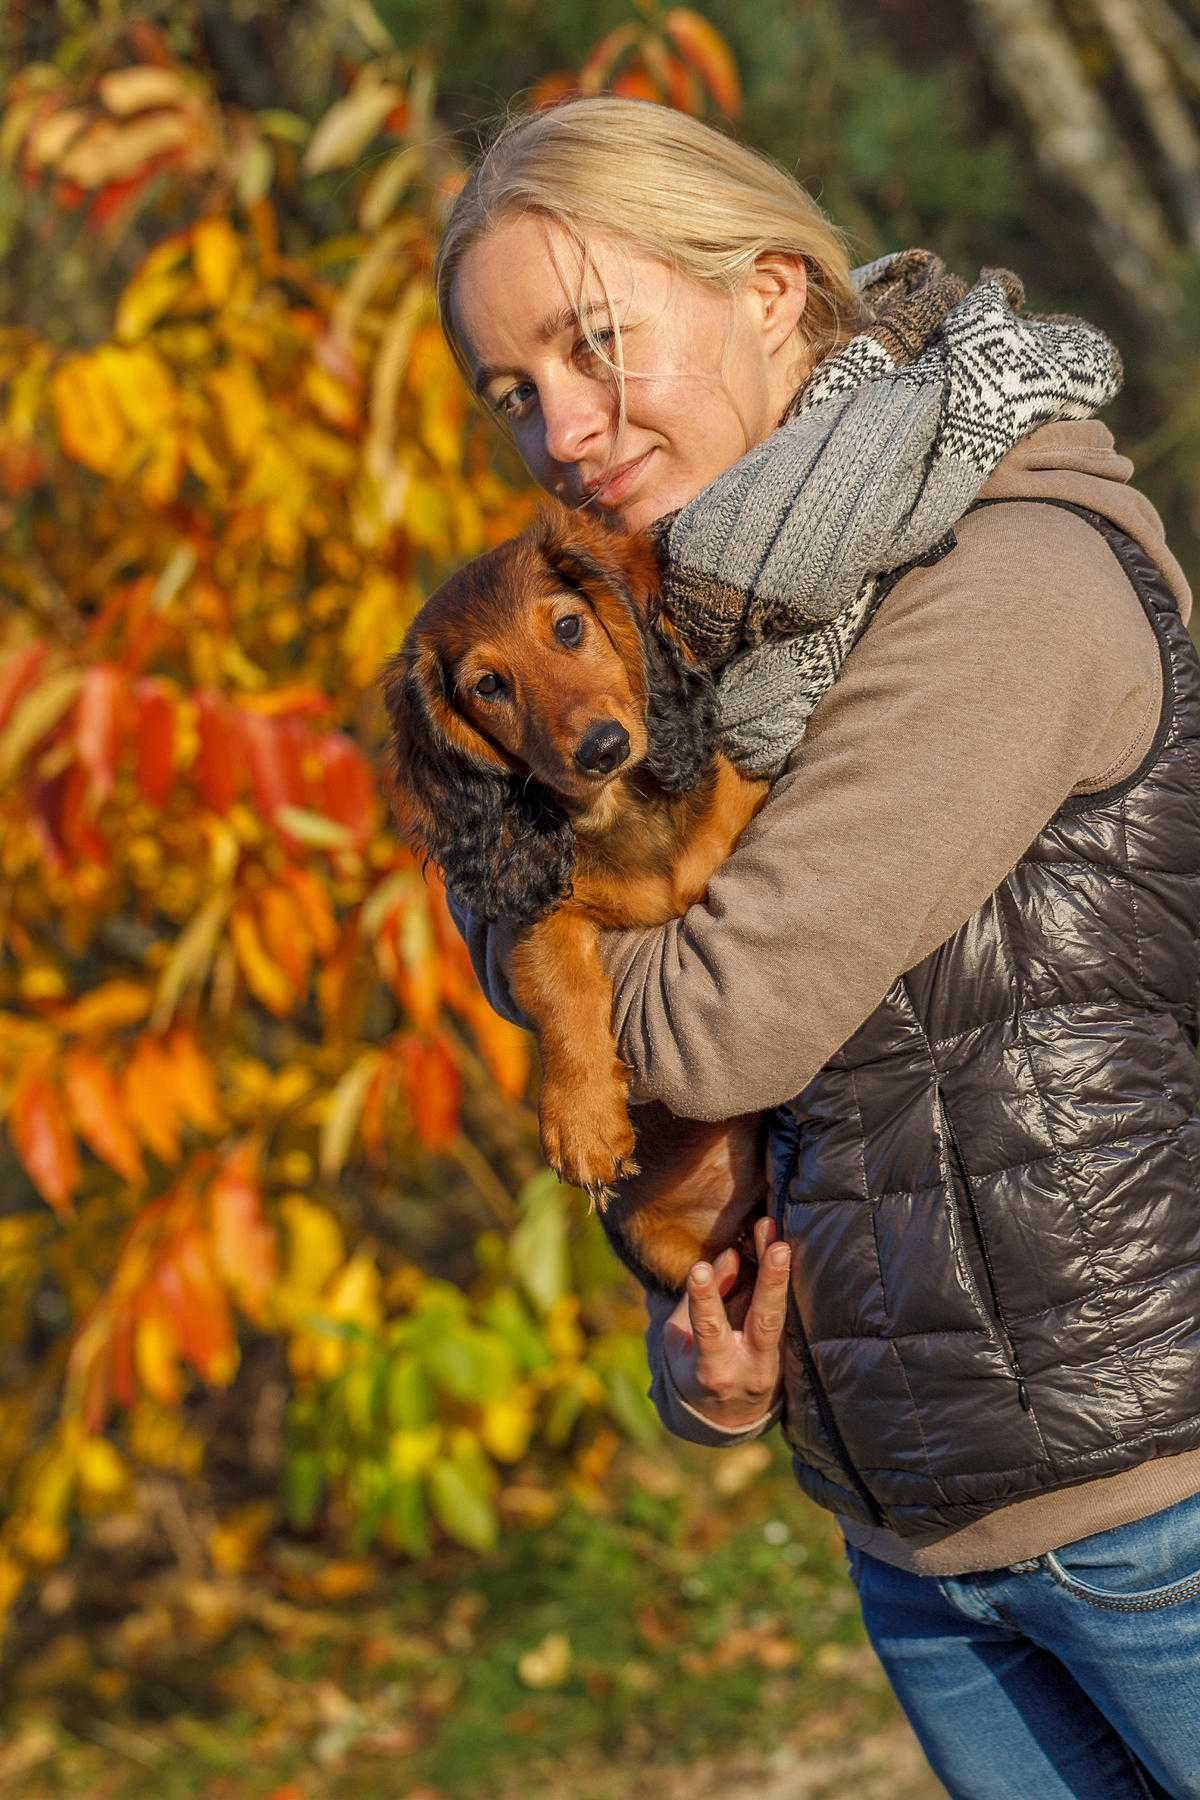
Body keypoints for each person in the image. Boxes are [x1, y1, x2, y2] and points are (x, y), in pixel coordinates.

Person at [430, 93, 1200, 1797]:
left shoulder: (1006, 578)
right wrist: (709, 1353)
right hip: (923, 1521)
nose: (562, 423)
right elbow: (828, 1130)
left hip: (1151, 1508)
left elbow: (720, 1032)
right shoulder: (709, 652)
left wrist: (505, 914)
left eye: (597, 344)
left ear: (774, 289)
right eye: (514, 390)